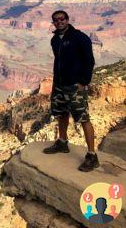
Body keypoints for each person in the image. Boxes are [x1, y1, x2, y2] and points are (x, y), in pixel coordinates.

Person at [43, 10, 98, 172]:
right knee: (61, 113)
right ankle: (62, 142)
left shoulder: (79, 37)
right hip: (59, 84)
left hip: (74, 85)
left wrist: (84, 82)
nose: (59, 21)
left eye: (62, 19)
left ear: (67, 20)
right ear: (53, 23)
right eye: (55, 20)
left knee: (83, 118)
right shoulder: (55, 40)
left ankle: (92, 155)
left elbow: (89, 60)